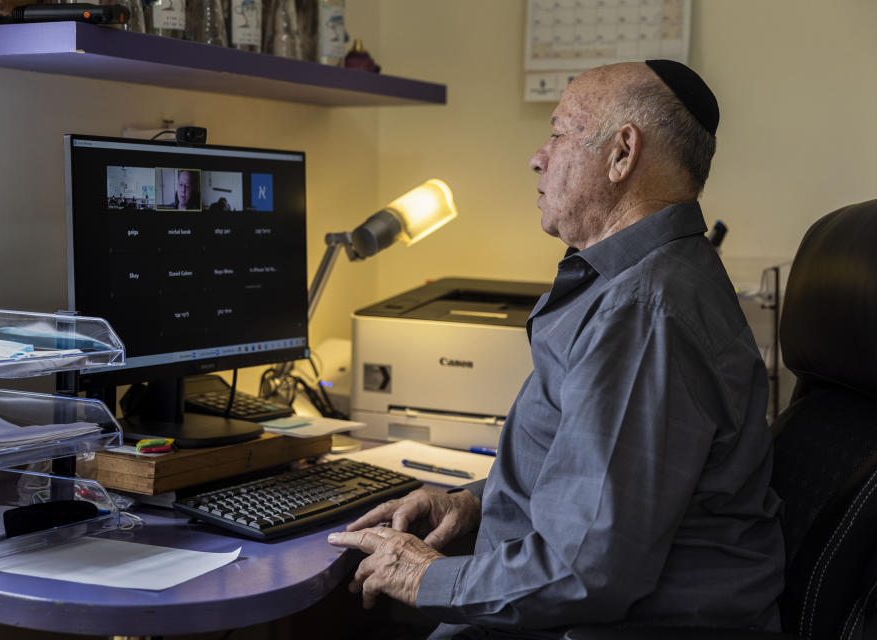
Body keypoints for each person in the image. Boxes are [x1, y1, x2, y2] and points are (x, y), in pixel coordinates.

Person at [327, 60, 786, 638]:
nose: (537, 156)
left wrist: (422, 577)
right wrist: (476, 502)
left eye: (559, 132)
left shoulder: (644, 311)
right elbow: (591, 484)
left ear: (623, 154)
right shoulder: (639, 283)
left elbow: (583, 570)